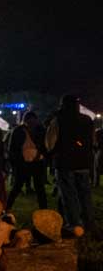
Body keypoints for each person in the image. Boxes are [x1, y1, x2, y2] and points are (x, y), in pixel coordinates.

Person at [45, 95, 95, 235]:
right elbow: (92, 141)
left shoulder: (58, 120)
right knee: (85, 194)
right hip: (84, 162)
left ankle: (74, 224)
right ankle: (89, 223)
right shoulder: (87, 120)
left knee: (69, 195)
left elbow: (50, 142)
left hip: (65, 162)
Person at [6, 111, 48, 211]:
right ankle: (7, 208)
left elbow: (44, 145)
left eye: (34, 121)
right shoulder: (18, 131)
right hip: (23, 163)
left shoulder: (41, 130)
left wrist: (40, 155)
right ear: (25, 121)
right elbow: (12, 148)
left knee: (40, 187)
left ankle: (44, 210)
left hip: (38, 162)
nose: (32, 124)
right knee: (17, 186)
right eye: (30, 121)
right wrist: (17, 162)